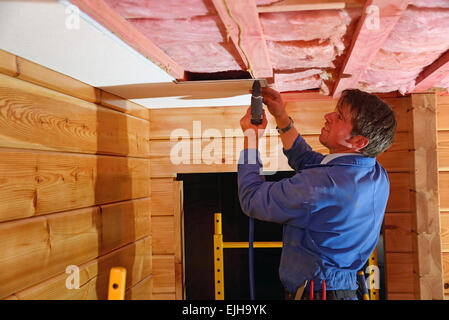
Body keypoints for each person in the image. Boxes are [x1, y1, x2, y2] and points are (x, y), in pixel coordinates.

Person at [237, 87, 397, 300]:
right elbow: (309, 163)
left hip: (320, 294)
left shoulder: (323, 186)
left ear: (359, 142)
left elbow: (253, 199)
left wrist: (251, 137)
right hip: (337, 289)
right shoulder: (374, 173)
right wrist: (281, 117)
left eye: (339, 117)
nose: (328, 116)